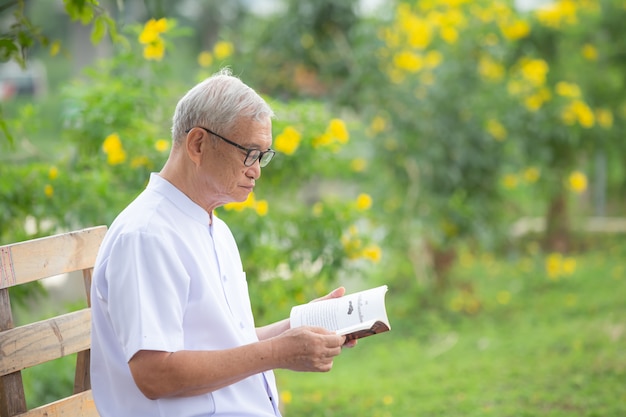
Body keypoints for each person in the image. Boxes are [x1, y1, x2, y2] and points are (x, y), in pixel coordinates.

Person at [90, 68, 352, 417]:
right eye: (249, 152)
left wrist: (300, 326)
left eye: (263, 156)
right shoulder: (147, 236)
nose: (256, 169)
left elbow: (227, 342)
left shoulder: (213, 226)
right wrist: (279, 353)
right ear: (198, 144)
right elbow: (154, 374)